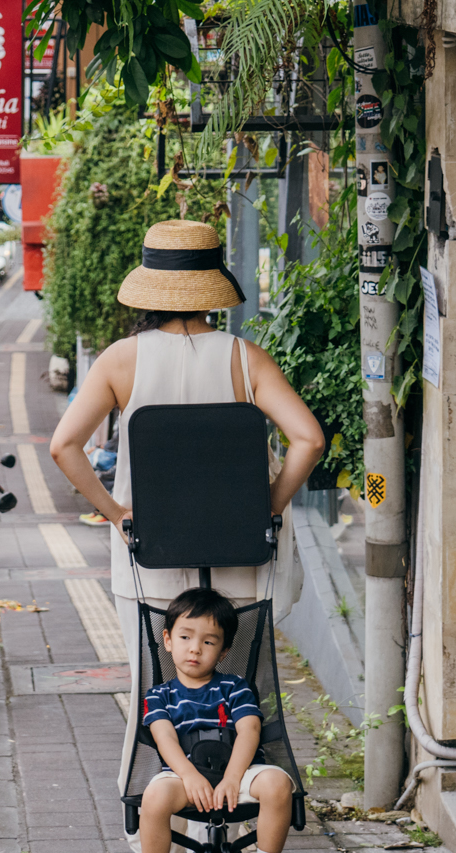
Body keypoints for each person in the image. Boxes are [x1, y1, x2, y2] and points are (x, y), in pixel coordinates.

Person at [49, 219, 325, 819]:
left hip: (150, 561)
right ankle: (248, 829)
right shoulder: (245, 359)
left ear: (148, 289)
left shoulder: (121, 360)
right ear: (212, 285)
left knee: (156, 689)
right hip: (240, 554)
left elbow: (64, 446)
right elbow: (308, 438)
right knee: (244, 693)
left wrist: (118, 514)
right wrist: (269, 505)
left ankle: (158, 835)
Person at [116, 589, 295, 853]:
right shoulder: (159, 695)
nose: (195, 648)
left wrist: (232, 777)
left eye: (209, 642)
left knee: (278, 784)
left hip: (238, 772)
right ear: (167, 640)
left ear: (224, 651)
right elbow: (163, 737)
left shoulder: (235, 687)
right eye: (185, 637)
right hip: (186, 774)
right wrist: (188, 775)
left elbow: (249, 730)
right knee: (154, 794)